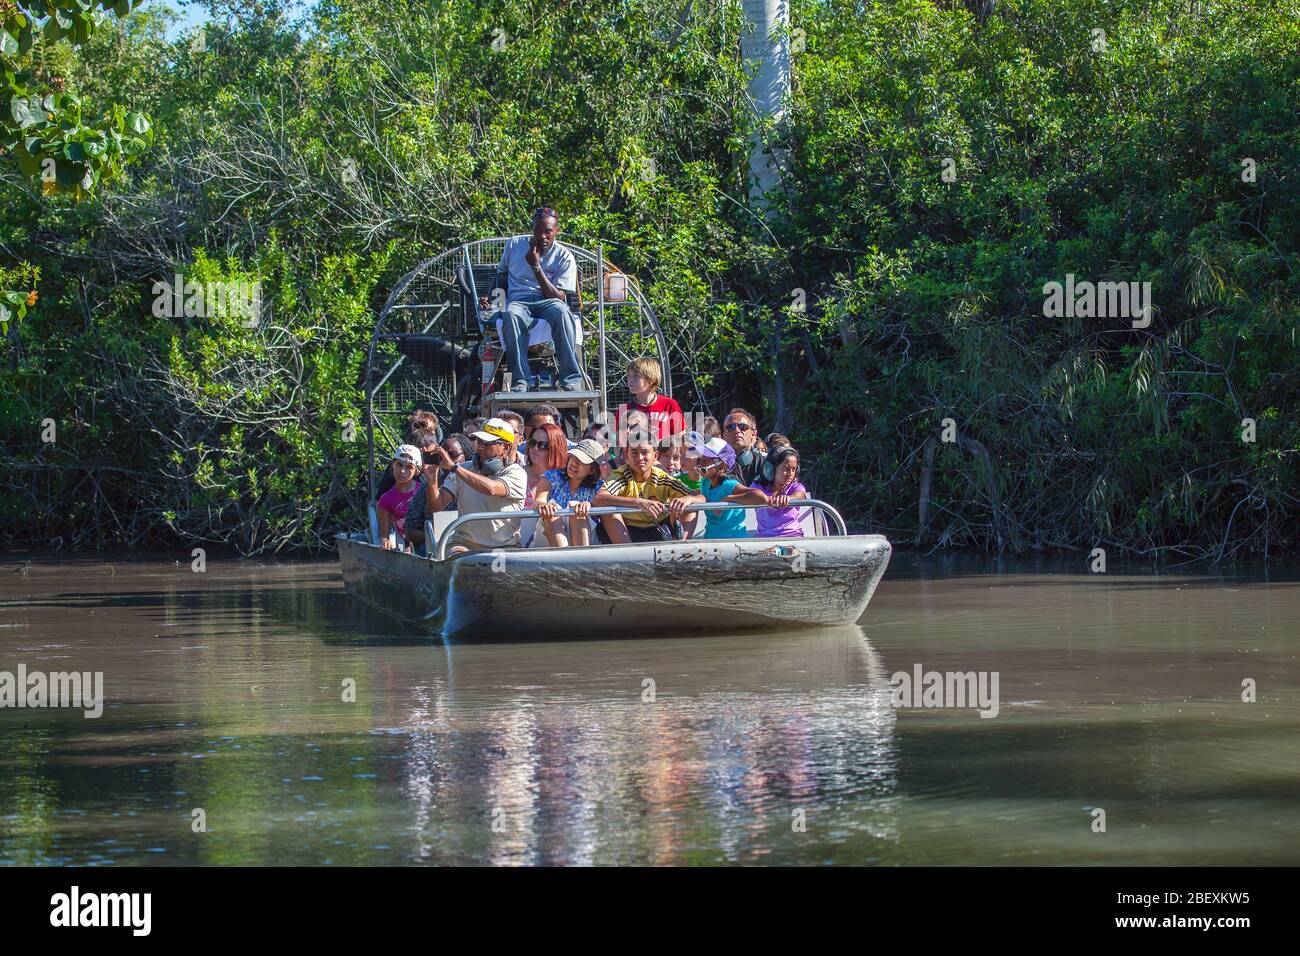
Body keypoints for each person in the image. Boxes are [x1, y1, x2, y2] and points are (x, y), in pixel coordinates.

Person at [481, 208, 583, 392]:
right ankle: (520, 380)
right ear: (532, 229)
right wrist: (491, 297)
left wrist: (536, 266)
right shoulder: (514, 245)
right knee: (511, 315)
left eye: (548, 231)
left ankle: (571, 379)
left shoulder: (564, 256)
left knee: (562, 312)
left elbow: (558, 297)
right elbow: (501, 276)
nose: (542, 235)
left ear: (556, 231)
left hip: (548, 301)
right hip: (518, 301)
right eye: (538, 230)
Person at [421, 418, 528, 554]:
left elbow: (491, 488)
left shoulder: (516, 472)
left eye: (487, 443)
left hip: (506, 548)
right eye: (479, 441)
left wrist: (455, 468)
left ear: (505, 448)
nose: (480, 447)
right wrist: (432, 479)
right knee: (459, 563)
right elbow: (436, 506)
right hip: (463, 545)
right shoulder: (464, 469)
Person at [593, 436, 703, 544]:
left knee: (691, 505)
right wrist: (638, 502)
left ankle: (680, 548)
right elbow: (599, 498)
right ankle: (627, 553)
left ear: (655, 456)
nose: (640, 457)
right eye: (634, 453)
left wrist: (688, 499)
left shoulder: (661, 477)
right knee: (607, 509)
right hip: (627, 530)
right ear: (627, 456)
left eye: (645, 452)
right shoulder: (622, 475)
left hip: (658, 528)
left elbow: (700, 497)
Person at [686, 435, 768, 539]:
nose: (701, 463)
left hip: (732, 543)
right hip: (710, 540)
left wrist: (728, 499)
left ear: (722, 465)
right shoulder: (705, 483)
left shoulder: (729, 485)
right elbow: (701, 494)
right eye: (701, 459)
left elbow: (761, 497)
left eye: (706, 460)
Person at [405, 433, 470, 555]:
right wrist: (433, 535)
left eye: (452, 455)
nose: (446, 459)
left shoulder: (474, 486)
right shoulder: (427, 487)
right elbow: (410, 531)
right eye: (441, 456)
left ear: (466, 456)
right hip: (433, 546)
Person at [534, 438, 606, 547]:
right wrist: (544, 506)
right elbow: (538, 501)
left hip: (587, 539)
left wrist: (589, 506)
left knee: (576, 507)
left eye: (582, 461)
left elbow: (608, 500)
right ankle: (566, 557)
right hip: (547, 540)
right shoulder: (550, 477)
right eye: (574, 457)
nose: (574, 463)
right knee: (553, 509)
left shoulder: (599, 487)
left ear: (592, 470)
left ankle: (578, 557)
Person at [615, 356, 684, 444]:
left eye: (636, 376)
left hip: (662, 456)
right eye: (629, 376)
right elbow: (618, 444)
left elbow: (680, 438)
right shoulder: (624, 410)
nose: (630, 380)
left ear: (651, 379)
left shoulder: (670, 404)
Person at [520, 422, 568, 546]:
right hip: (520, 543)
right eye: (532, 443)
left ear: (555, 448)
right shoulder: (517, 473)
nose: (535, 448)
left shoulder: (566, 478)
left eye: (542, 445)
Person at [377, 411, 441, 496]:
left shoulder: (439, 464)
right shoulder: (397, 467)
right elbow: (381, 500)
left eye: (432, 431)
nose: (428, 435)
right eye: (426, 431)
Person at [754, 445, 809, 538]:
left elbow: (800, 495)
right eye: (786, 469)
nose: (790, 474)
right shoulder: (759, 487)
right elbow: (750, 494)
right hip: (764, 538)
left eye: (793, 469)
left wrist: (788, 499)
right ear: (771, 468)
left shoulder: (796, 487)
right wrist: (765, 499)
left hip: (793, 536)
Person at [377, 444, 423, 549]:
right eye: (399, 465)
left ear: (417, 470)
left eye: (409, 467)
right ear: (393, 464)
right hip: (403, 546)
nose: (402, 471)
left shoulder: (424, 491)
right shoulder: (386, 499)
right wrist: (385, 541)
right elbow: (384, 535)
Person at [723, 407, 765, 485]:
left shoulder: (765, 463)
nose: (737, 430)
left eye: (743, 427)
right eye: (730, 427)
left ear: (753, 434)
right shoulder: (715, 465)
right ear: (723, 435)